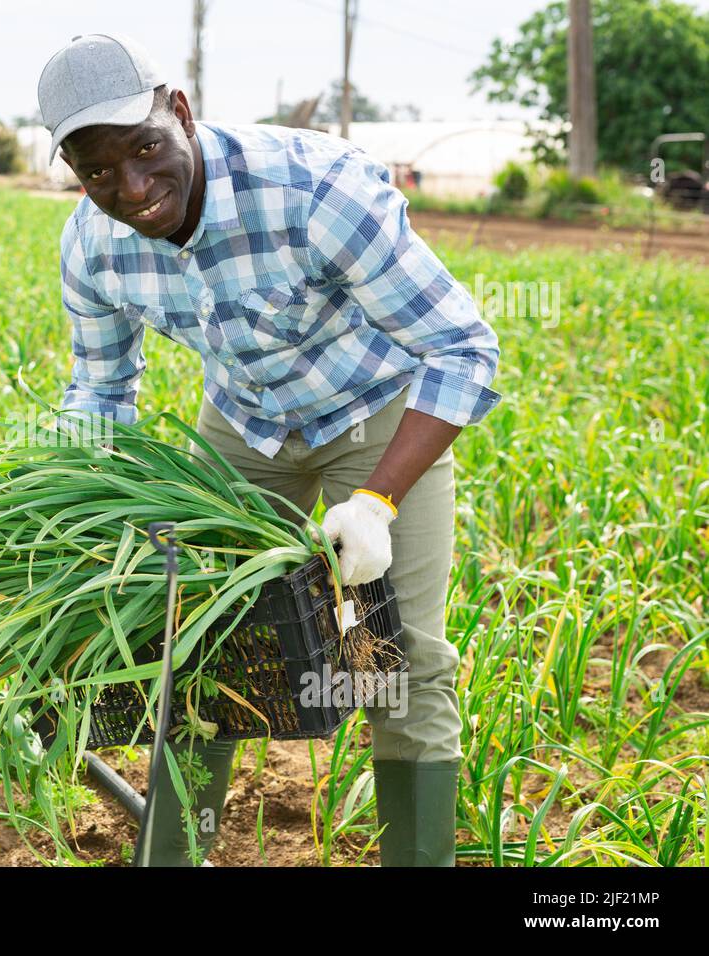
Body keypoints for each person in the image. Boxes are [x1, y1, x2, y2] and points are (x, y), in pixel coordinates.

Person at [38, 34, 502, 866]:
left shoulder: (314, 190)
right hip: (245, 428)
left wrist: (378, 501)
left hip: (377, 415)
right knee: (194, 638)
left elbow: (462, 349)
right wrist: (67, 503)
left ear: (179, 112)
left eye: (145, 150)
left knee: (396, 659)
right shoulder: (92, 247)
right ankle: (174, 853)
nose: (134, 190)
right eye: (99, 173)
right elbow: (102, 395)